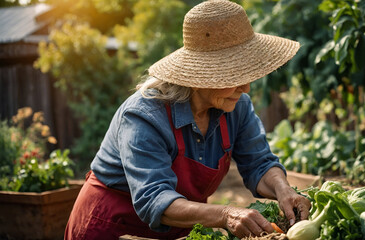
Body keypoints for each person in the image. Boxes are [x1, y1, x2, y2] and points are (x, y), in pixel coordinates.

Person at [65, 0, 311, 239]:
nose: (245, 87)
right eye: (235, 76)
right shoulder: (143, 116)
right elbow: (154, 199)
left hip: (179, 230)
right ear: (201, 77)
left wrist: (283, 189)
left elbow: (259, 163)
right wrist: (225, 213)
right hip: (113, 226)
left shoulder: (236, 106)